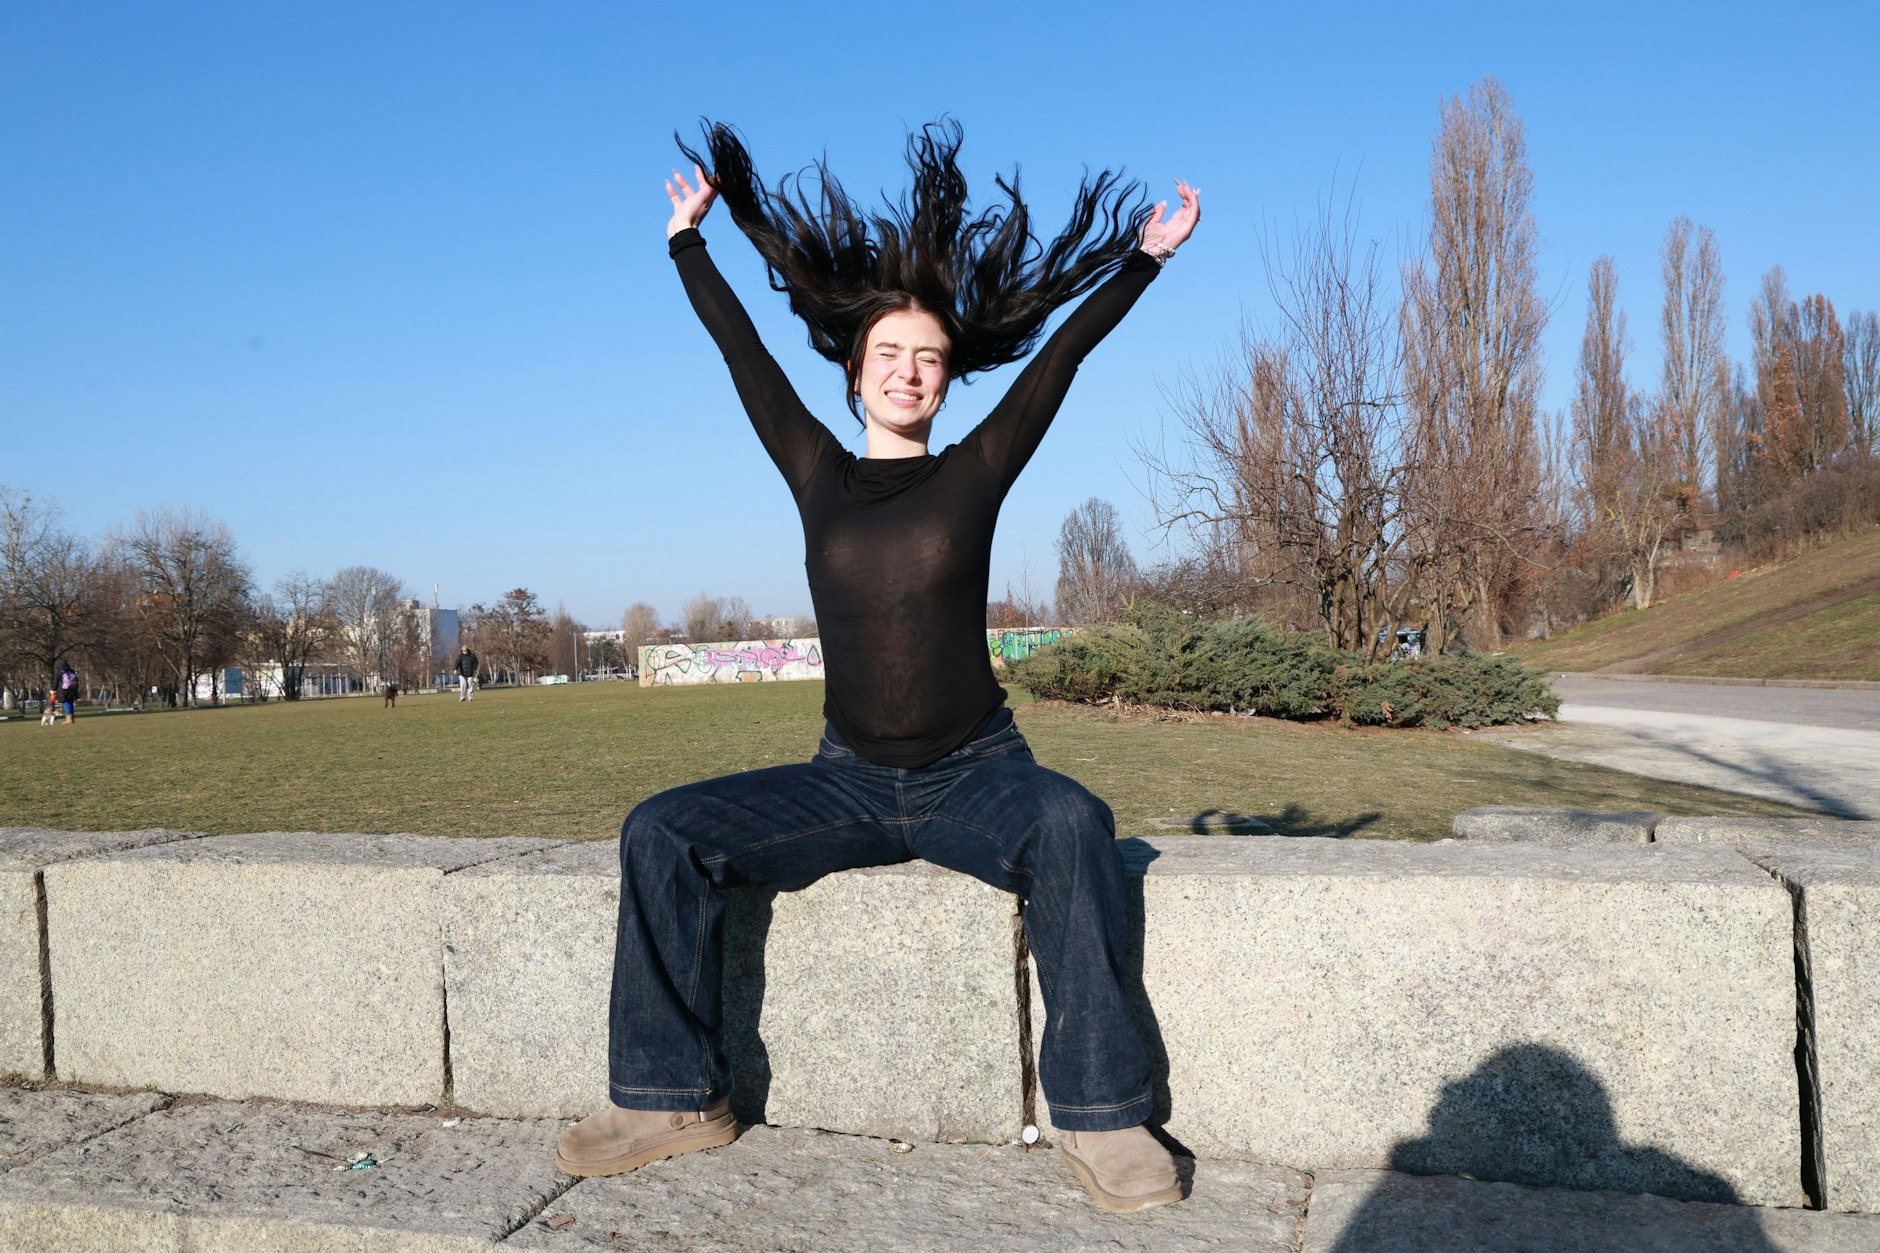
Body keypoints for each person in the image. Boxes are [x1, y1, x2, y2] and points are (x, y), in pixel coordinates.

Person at [555, 121, 1199, 1215]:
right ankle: (669, 1096)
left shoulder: (977, 471)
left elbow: (1063, 358)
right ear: (856, 370)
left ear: (946, 382)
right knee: (658, 827)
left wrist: (1146, 258)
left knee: (1071, 820)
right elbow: (741, 357)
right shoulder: (813, 470)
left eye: (929, 359)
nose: (909, 372)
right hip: (843, 778)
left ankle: (1100, 1113)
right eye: (890, 354)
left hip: (974, 772)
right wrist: (686, 244)